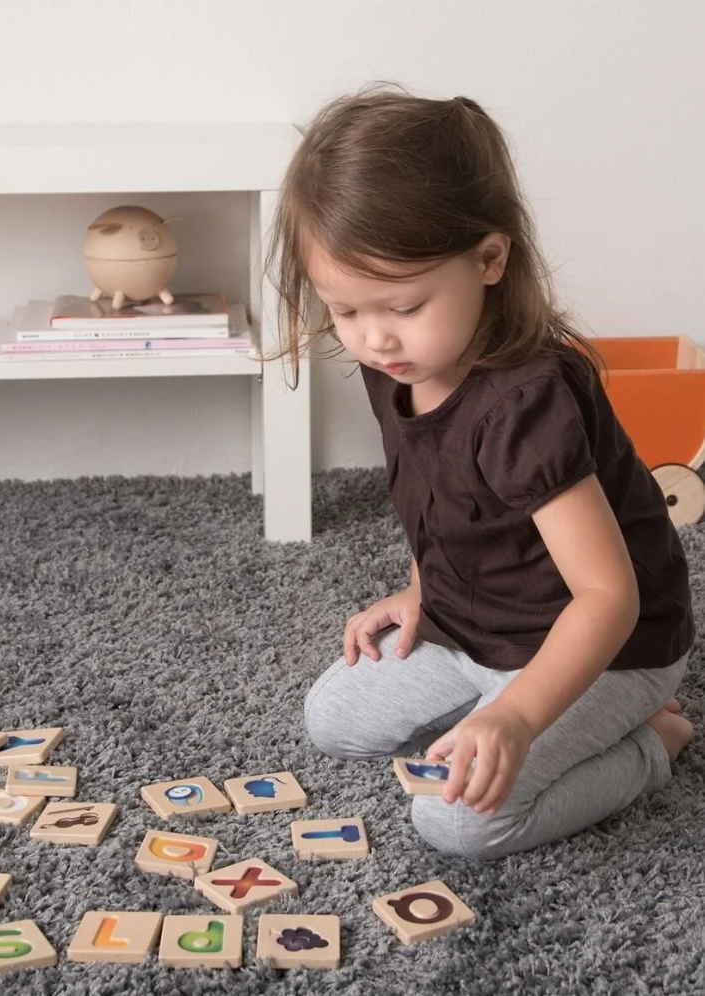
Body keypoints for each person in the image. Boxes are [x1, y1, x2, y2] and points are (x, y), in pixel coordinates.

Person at [267, 84, 696, 860]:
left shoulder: (527, 404)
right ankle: (498, 695)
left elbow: (609, 596)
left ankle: (653, 740)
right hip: (476, 627)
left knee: (460, 822)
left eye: (401, 305)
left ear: (489, 258)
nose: (372, 338)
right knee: (331, 720)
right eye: (346, 309)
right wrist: (420, 590)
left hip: (608, 644)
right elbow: (443, 501)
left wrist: (519, 716)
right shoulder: (392, 362)